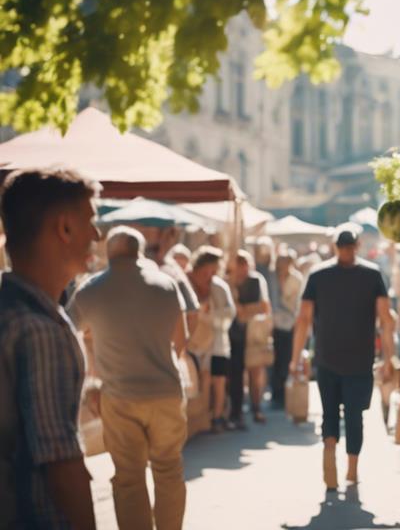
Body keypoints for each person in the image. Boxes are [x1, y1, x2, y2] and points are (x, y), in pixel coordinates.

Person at [68, 227, 188, 530]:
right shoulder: (167, 285)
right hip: (166, 393)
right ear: (140, 251)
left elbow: (66, 335)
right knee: (169, 470)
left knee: (129, 479)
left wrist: (92, 378)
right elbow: (182, 339)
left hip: (119, 396)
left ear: (108, 252)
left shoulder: (89, 291)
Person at [0, 168, 100, 529]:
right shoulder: (39, 329)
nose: (97, 234)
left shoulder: (12, 307)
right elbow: (62, 466)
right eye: (91, 220)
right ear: (65, 228)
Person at [289, 225, 397, 488]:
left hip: (327, 356)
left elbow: (303, 319)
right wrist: (389, 357)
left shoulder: (318, 275)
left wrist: (295, 359)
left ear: (335, 246)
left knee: (330, 413)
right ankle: (351, 469)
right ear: (357, 246)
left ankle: (330, 454)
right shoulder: (372, 275)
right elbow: (385, 319)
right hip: (359, 359)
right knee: (354, 416)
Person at [187, 246, 236, 432]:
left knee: (219, 380)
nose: (211, 275)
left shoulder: (219, 287)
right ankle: (202, 417)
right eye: (208, 270)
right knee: (203, 379)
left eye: (214, 271)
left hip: (217, 343)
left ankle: (216, 416)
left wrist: (210, 314)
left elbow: (229, 313)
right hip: (196, 342)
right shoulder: (189, 282)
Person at [228, 249, 271, 428]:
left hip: (253, 333)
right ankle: (236, 413)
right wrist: (244, 310)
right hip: (234, 334)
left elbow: (263, 306)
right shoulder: (229, 282)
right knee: (236, 375)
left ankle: (256, 407)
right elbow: (234, 308)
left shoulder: (256, 280)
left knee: (255, 373)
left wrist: (245, 311)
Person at [270, 250, 303, 409]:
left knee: (286, 358)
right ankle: (276, 393)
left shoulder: (296, 279)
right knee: (276, 359)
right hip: (275, 323)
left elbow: (297, 303)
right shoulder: (273, 277)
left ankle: (284, 394)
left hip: (290, 324)